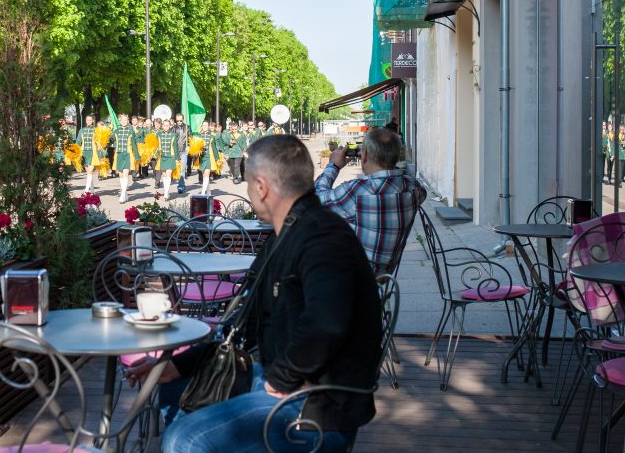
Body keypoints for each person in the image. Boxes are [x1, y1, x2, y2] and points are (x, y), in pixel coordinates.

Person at [127, 134, 383, 453]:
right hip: (281, 381)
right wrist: (179, 365)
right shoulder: (289, 233)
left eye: (248, 185)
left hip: (318, 407)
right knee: (173, 387)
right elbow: (240, 323)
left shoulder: (322, 237)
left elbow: (327, 323)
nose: (249, 192)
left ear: (261, 187)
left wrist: (283, 378)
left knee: (185, 439)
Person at [314, 127, 427, 274]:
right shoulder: (413, 187)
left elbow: (316, 198)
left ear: (364, 155)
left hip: (351, 275)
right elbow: (419, 191)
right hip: (384, 275)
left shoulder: (358, 190)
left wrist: (333, 166)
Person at [114, 114, 140, 203]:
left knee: (125, 174)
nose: (124, 121)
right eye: (122, 120)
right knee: (120, 175)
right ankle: (125, 194)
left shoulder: (131, 131)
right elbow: (110, 140)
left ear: (128, 121)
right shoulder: (116, 131)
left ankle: (122, 194)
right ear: (120, 121)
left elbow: (134, 144)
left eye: (125, 120)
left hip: (128, 155)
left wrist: (137, 156)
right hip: (119, 155)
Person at [195, 120, 221, 195]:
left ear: (208, 127)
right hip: (201, 158)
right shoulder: (198, 136)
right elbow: (195, 149)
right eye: (203, 125)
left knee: (206, 175)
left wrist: (217, 158)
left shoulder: (212, 136)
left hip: (209, 157)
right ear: (202, 127)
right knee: (204, 175)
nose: (205, 127)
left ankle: (203, 193)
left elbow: (214, 148)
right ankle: (209, 191)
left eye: (206, 125)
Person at [76, 115, 100, 193]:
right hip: (84, 153)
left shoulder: (96, 130)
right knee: (88, 173)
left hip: (93, 153)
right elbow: (78, 142)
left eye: (90, 120)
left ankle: (86, 190)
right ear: (85, 121)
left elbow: (99, 142)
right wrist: (76, 152)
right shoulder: (82, 130)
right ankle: (92, 191)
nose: (89, 121)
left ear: (92, 121)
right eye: (87, 120)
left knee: (89, 172)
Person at [157, 119, 179, 199]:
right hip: (162, 157)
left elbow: (175, 147)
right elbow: (156, 145)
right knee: (164, 174)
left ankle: (166, 193)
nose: (165, 127)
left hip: (171, 156)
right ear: (162, 126)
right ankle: (166, 191)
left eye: (167, 125)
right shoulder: (159, 134)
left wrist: (177, 158)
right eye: (164, 125)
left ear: (170, 126)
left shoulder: (173, 135)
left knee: (169, 174)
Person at [172, 113, 191, 194]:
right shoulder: (173, 128)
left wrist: (189, 146)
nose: (179, 122)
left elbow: (191, 137)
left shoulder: (187, 127)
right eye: (177, 120)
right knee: (176, 168)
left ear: (183, 119)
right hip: (175, 151)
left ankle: (181, 186)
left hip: (183, 150)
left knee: (183, 168)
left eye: (180, 120)